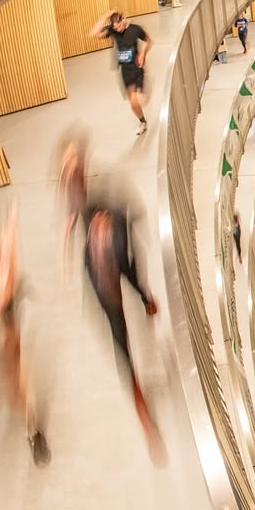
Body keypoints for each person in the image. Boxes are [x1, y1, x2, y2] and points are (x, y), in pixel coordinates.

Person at [82, 196, 162, 460]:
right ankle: (147, 423)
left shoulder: (118, 242)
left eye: (106, 225)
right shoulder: (88, 253)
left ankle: (145, 416)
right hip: (111, 310)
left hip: (115, 296)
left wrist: (145, 297)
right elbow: (94, 288)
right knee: (126, 363)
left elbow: (129, 271)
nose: (102, 230)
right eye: (98, 226)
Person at [0, 206, 50, 466]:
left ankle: (32, 431)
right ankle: (31, 429)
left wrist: (12, 225)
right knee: (16, 385)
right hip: (8, 326)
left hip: (11, 331)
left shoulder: (6, 268)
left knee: (20, 383)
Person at [90, 10, 151, 135]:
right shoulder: (112, 30)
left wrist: (143, 53)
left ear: (123, 20)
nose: (117, 29)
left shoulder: (135, 29)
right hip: (124, 70)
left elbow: (149, 41)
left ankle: (145, 91)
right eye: (115, 27)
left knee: (138, 100)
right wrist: (106, 15)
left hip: (136, 67)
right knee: (133, 103)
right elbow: (94, 33)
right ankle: (143, 122)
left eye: (119, 25)